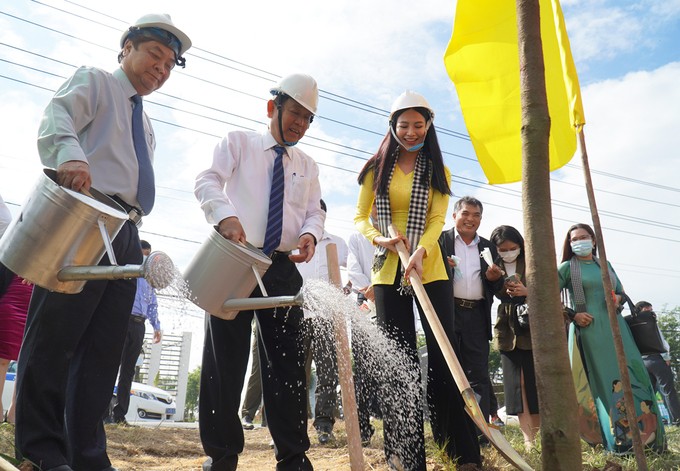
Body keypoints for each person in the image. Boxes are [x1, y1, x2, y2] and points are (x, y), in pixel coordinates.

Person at [14, 14, 191, 471]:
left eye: (171, 63)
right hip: (84, 214)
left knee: (102, 350)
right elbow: (58, 117)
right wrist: (71, 157)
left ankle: (88, 455)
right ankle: (41, 450)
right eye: (155, 54)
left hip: (126, 231)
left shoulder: (146, 123)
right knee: (56, 335)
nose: (162, 68)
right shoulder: (96, 82)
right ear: (126, 47)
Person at [194, 73, 324, 471]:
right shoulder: (238, 143)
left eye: (307, 119)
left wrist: (308, 236)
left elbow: (315, 211)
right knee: (224, 362)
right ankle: (222, 456)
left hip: (282, 269)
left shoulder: (307, 164)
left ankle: (292, 456)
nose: (299, 124)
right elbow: (207, 180)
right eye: (295, 114)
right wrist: (226, 216)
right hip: (235, 258)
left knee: (286, 365)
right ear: (273, 108)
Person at [354, 91, 480, 469]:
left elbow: (439, 219)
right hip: (387, 268)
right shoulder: (375, 170)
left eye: (418, 125)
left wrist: (423, 250)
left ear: (428, 127)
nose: (411, 132)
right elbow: (360, 218)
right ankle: (405, 457)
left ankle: (461, 450)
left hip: (431, 268)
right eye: (404, 125)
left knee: (445, 357)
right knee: (399, 360)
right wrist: (381, 239)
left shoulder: (438, 171)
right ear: (393, 127)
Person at [558, 223, 665, 452]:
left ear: (594, 240)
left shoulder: (605, 264)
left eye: (584, 237)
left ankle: (650, 440)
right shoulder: (568, 268)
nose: (579, 242)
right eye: (574, 239)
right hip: (590, 333)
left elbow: (620, 292)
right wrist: (573, 314)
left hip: (618, 330)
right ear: (569, 244)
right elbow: (546, 296)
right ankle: (620, 442)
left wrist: (617, 299)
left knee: (634, 375)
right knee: (606, 383)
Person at [439, 196, 503, 429]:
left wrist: (494, 279)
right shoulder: (440, 241)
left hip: (477, 314)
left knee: (478, 374)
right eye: (465, 213)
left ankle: (479, 430)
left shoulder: (488, 247)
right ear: (454, 215)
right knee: (447, 370)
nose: (470, 219)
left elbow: (496, 286)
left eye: (476, 215)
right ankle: (451, 428)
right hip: (448, 312)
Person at [296, 200, 348, 445]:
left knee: (327, 372)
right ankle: (292, 425)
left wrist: (349, 286)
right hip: (295, 314)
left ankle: (324, 424)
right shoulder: (290, 244)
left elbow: (356, 270)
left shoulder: (337, 243)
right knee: (294, 373)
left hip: (326, 317)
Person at [489, 225, 540, 448]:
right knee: (516, 385)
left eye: (513, 248)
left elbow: (549, 288)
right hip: (506, 328)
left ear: (520, 245)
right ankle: (529, 438)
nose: (508, 252)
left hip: (532, 323)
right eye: (503, 249)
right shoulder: (492, 264)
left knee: (533, 382)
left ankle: (539, 436)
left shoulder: (532, 261)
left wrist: (528, 292)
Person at [111, 240, 161, 425]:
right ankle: (102, 413)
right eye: (143, 254)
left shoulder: (149, 279)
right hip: (122, 321)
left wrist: (157, 326)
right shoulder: (127, 272)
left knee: (128, 371)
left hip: (139, 325)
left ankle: (120, 414)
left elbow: (153, 304)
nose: (145, 258)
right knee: (112, 366)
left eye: (148, 255)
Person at [0, 200, 32, 424]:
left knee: (27, 359)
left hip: (33, 297)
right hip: (10, 296)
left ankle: (14, 413)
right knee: (2, 357)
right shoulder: (9, 230)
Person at [634, 300, 680, 425]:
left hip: (642, 361)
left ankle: (649, 423)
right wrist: (666, 357)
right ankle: (676, 420)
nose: (651, 312)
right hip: (657, 358)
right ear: (641, 310)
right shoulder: (650, 323)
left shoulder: (632, 324)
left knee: (649, 393)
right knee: (668, 391)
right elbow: (661, 341)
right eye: (648, 310)